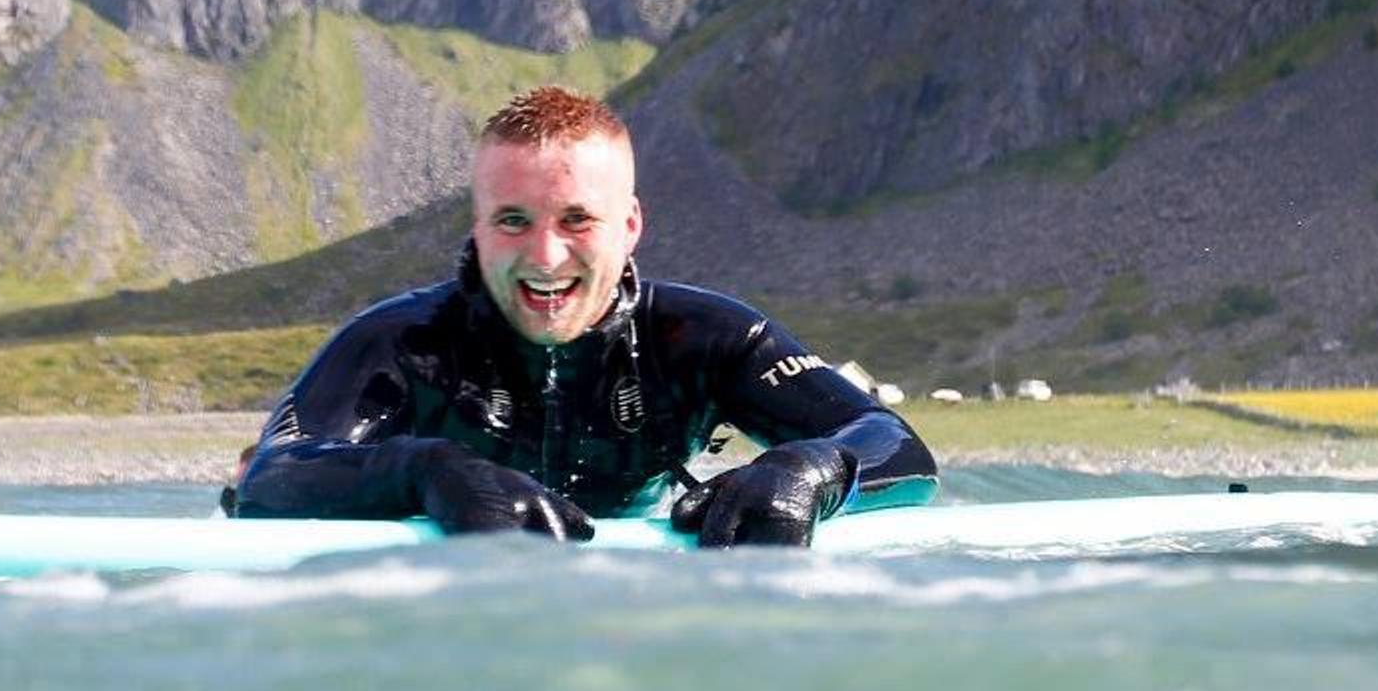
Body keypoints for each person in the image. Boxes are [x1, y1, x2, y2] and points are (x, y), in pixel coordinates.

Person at [229, 86, 934, 545]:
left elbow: (892, 443)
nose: (545, 254)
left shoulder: (703, 338)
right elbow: (272, 477)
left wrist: (815, 468)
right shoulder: (399, 344)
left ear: (629, 226)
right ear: (475, 228)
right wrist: (426, 471)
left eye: (576, 219)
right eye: (512, 220)